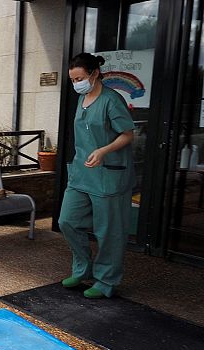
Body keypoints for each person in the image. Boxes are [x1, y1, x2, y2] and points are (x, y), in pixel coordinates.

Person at [59, 52, 136, 299]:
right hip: (82, 174)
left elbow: (127, 134)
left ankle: (105, 281)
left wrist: (103, 150)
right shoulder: (82, 100)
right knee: (67, 221)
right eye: (72, 80)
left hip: (108, 175)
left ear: (94, 74)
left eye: (79, 78)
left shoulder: (111, 100)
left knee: (109, 231)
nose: (76, 84)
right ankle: (82, 268)